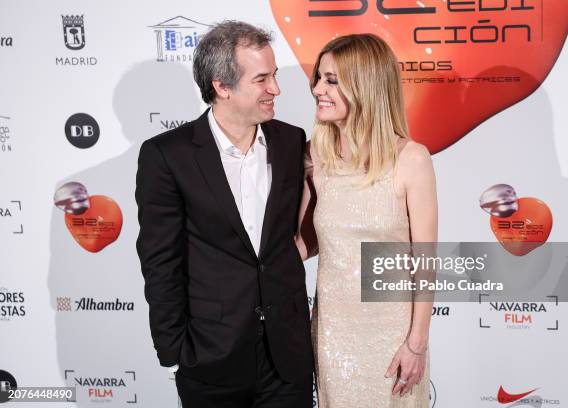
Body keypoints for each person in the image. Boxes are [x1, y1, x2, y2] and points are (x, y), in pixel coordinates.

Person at [136, 21, 313, 408]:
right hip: (211, 358)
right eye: (262, 79)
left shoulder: (291, 141)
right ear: (222, 86)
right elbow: (160, 261)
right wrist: (175, 354)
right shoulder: (168, 155)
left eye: (275, 76)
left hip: (288, 357)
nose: (276, 90)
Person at [296, 34, 437, 407]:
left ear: (365, 86)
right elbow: (303, 244)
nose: (317, 90)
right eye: (319, 78)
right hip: (333, 332)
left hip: (393, 334)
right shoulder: (315, 157)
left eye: (332, 80)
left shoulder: (412, 159)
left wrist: (416, 344)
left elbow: (425, 262)